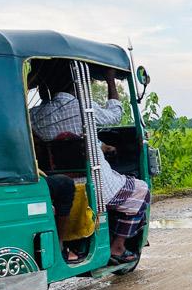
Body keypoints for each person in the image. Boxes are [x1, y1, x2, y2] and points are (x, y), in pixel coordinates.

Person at [29, 65, 149, 264]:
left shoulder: (36, 115)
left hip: (60, 180)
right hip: (95, 182)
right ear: (76, 84)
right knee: (141, 189)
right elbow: (115, 114)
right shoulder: (84, 108)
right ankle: (117, 247)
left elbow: (71, 140)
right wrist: (111, 80)